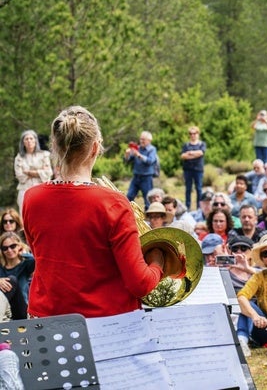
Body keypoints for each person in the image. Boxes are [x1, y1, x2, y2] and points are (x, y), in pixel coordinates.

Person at [22, 106, 166, 318]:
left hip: (49, 324)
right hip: (107, 326)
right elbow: (141, 284)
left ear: (54, 145)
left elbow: (42, 254)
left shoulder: (31, 197)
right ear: (95, 147)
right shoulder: (114, 203)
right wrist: (158, 261)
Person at [14, 129, 53, 211]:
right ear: (23, 142)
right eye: (26, 139)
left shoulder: (44, 155)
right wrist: (39, 172)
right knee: (25, 214)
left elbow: (48, 173)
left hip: (41, 189)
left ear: (35, 140)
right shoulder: (19, 158)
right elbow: (20, 176)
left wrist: (28, 172)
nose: (29, 141)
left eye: (31, 138)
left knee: (42, 212)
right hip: (24, 190)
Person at [0, 232, 34, 320]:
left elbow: (37, 259)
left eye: (13, 246)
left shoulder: (27, 263)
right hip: (4, 310)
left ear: (19, 246)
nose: (9, 250)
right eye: (5, 248)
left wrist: (22, 253)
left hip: (20, 310)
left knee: (12, 280)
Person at [125, 131, 159, 210]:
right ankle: (130, 214)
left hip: (146, 177)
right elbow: (128, 160)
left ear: (149, 140)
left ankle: (149, 218)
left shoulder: (152, 149)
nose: (141, 141)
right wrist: (127, 154)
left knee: (148, 199)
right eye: (140, 139)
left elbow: (150, 161)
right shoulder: (138, 148)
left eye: (143, 139)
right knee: (129, 196)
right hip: (136, 176)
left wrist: (139, 155)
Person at [181, 126, 206, 210]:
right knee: (188, 189)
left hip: (198, 170)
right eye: (191, 134)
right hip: (188, 170)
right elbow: (183, 156)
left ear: (198, 134)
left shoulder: (201, 144)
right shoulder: (186, 145)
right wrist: (194, 155)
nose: (192, 135)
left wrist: (190, 153)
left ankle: (199, 207)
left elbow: (201, 153)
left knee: (199, 189)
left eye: (194, 133)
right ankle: (187, 207)